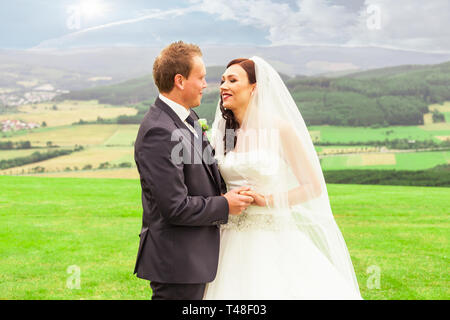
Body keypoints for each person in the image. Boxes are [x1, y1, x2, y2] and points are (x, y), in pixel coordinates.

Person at [204, 56, 363, 299]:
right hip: (229, 237)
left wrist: (266, 199)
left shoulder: (279, 130)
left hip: (271, 234)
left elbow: (312, 187)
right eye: (222, 80)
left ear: (254, 88)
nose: (223, 86)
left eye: (233, 80)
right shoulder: (221, 134)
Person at [133, 41, 254, 300]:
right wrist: (225, 205)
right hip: (177, 264)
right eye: (200, 77)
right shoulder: (159, 131)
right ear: (180, 80)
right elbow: (174, 207)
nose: (205, 84)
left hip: (196, 260)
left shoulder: (186, 118)